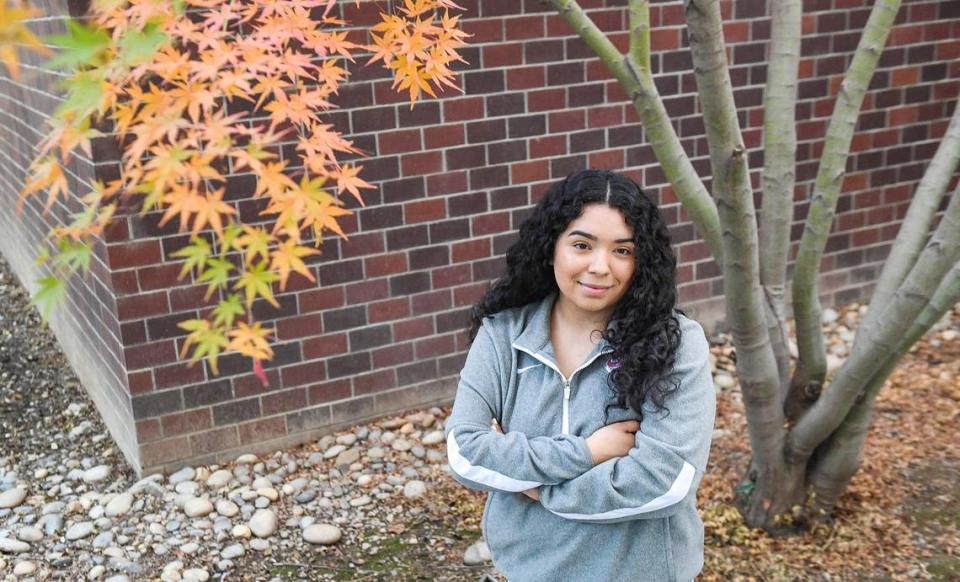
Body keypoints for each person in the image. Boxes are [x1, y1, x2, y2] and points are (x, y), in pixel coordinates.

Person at [444, 169, 716, 582]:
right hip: (527, 570)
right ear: (550, 247)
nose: (600, 267)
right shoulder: (503, 335)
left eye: (623, 251)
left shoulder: (677, 346)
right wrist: (587, 453)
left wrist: (540, 488)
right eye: (582, 245)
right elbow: (465, 451)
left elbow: (666, 481)